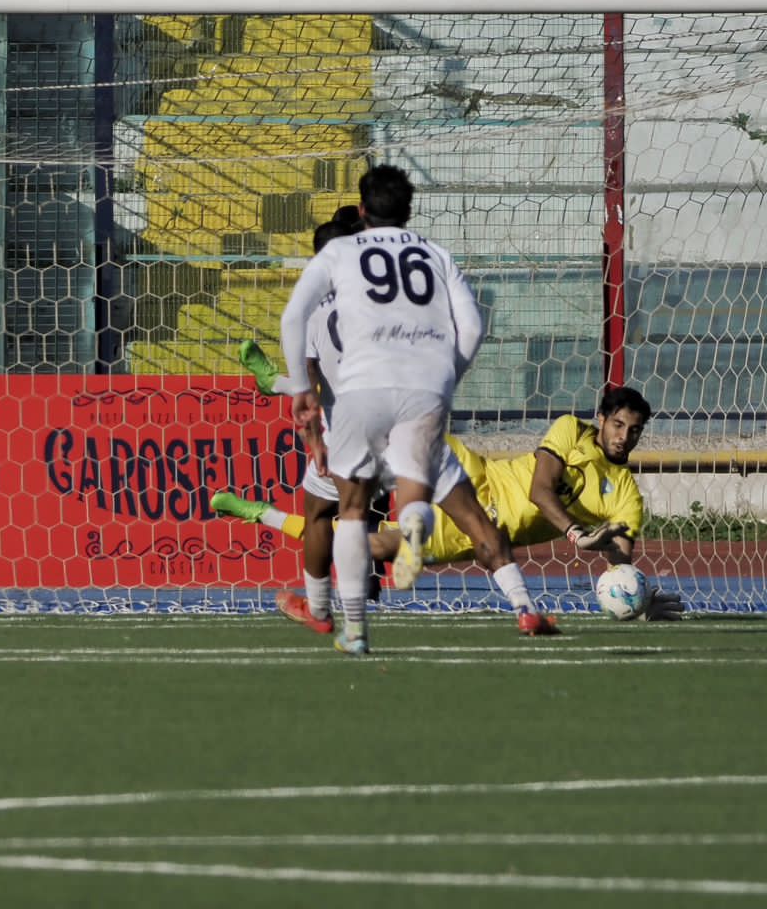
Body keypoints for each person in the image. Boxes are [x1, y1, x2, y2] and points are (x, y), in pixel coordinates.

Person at [228, 210, 564, 641]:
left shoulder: (313, 312)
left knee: (323, 516)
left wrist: (308, 431)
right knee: (477, 522)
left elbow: (308, 387)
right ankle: (524, 608)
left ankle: (321, 609)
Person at [216, 385, 686, 620]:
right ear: (601, 419)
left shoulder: (626, 493)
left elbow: (620, 557)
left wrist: (636, 594)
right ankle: (284, 383)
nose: (625, 438)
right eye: (619, 425)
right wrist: (576, 533)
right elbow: (540, 490)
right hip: (474, 478)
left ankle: (262, 514)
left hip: (475, 534)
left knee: (364, 546)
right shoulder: (570, 429)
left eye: (635, 431)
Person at [272, 163, 484, 656]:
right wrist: (444, 376)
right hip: (425, 386)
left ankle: (356, 629)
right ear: (408, 211)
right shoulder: (435, 252)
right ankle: (414, 524)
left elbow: (292, 315)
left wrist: (302, 386)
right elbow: (471, 328)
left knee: (349, 510)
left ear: (363, 210)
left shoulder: (341, 250)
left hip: (361, 391)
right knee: (414, 488)